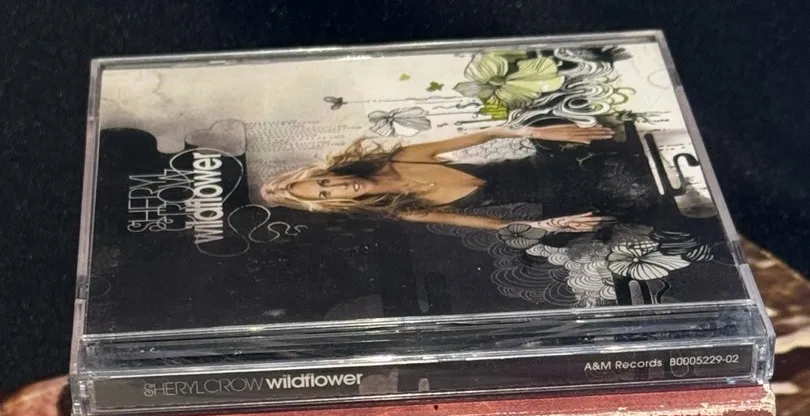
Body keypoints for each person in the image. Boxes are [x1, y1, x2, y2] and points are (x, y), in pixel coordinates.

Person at [260, 123, 662, 235]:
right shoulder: (407, 211)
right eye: (326, 195)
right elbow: (494, 224)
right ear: (331, 205)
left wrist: (537, 132)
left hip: (553, 167)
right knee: (643, 203)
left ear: (328, 173)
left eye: (325, 182)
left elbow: (484, 135)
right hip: (559, 199)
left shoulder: (400, 158)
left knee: (625, 152)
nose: (337, 188)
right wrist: (550, 224)